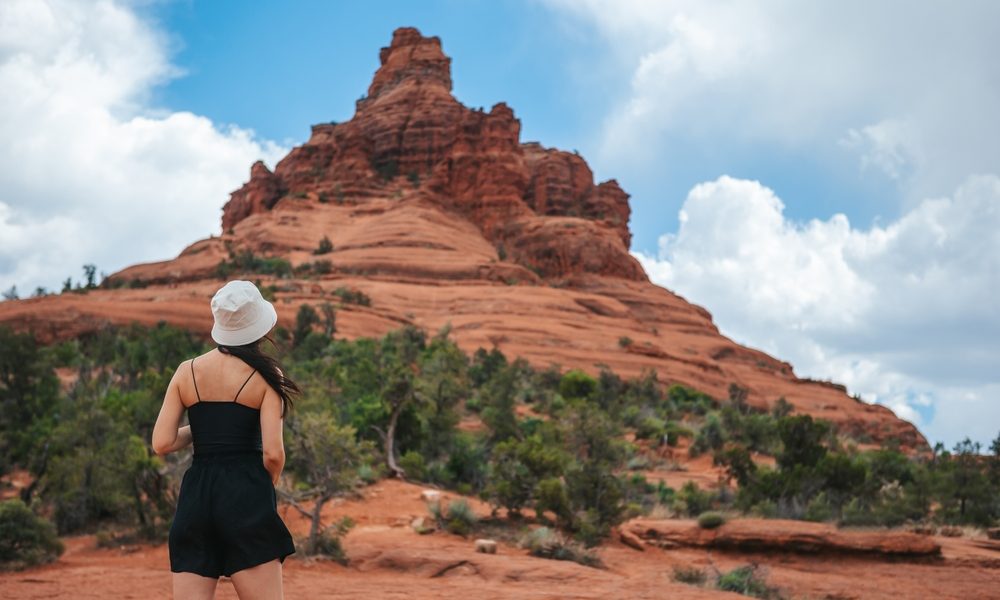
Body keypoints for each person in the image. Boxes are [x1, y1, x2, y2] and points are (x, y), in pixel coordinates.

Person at [152, 280, 298, 600]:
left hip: (196, 499)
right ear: (259, 326)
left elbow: (161, 443)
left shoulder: (186, 371)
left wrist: (207, 431)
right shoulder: (266, 374)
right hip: (246, 494)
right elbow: (273, 453)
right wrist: (263, 487)